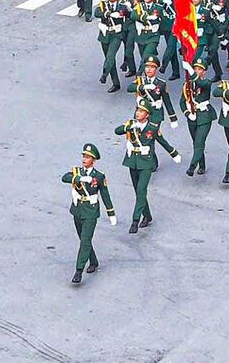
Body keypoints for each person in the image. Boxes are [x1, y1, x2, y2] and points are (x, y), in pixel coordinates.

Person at [115, 103, 179, 234]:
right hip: (132, 161)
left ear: (147, 115)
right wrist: (128, 127)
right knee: (138, 191)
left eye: (142, 111)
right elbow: (117, 131)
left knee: (141, 189)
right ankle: (148, 215)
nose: (138, 113)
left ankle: (135, 221)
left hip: (146, 163)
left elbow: (163, 142)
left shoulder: (152, 128)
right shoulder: (131, 124)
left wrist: (174, 154)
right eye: (137, 110)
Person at [62, 143, 116, 285]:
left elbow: (105, 194)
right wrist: (79, 179)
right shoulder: (77, 172)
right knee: (83, 239)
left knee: (85, 241)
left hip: (91, 211)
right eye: (84, 156)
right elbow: (65, 177)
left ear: (94, 160)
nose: (84, 159)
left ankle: (78, 271)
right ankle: (93, 260)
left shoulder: (98, 176)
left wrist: (111, 212)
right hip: (78, 209)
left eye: (88, 157)